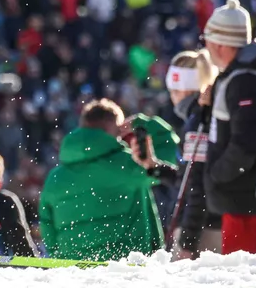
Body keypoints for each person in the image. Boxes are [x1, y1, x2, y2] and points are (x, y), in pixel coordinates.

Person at [39, 99, 176, 262]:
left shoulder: (54, 178)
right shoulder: (128, 166)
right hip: (122, 267)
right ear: (114, 127)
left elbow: (47, 228)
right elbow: (168, 155)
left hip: (73, 269)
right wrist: (142, 124)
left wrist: (61, 257)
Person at [203, 0, 256, 254]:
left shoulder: (243, 80)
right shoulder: (240, 76)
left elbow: (247, 143)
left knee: (241, 276)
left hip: (244, 200)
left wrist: (217, 174)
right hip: (243, 198)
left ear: (220, 44)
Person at [164, 50, 222, 260]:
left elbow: (196, 184)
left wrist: (187, 241)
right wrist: (155, 168)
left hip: (202, 230)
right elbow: (187, 176)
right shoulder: (201, 115)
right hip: (205, 224)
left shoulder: (197, 120)